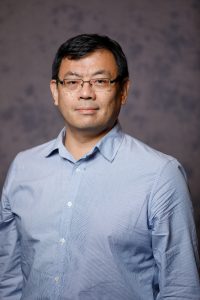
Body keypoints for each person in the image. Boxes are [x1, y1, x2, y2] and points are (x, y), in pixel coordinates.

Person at [0, 33, 199, 300]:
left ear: (123, 90)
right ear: (55, 91)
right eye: (72, 82)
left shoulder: (161, 174)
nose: (85, 93)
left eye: (101, 81)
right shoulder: (24, 168)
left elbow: (181, 288)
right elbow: (7, 278)